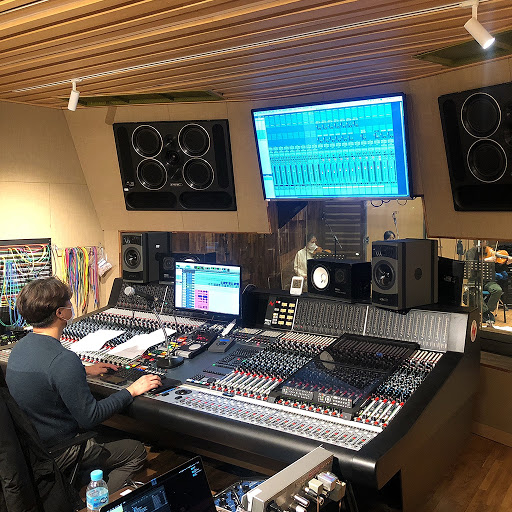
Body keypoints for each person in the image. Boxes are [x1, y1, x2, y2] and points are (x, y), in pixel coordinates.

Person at [6, 277, 163, 492]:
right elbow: (91, 417)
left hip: (32, 448)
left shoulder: (19, 348)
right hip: (60, 450)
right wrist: (132, 390)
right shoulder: (63, 360)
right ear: (61, 313)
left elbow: (43, 376)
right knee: (136, 451)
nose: (71, 307)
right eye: (68, 304)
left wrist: (83, 370)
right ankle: (98, 502)